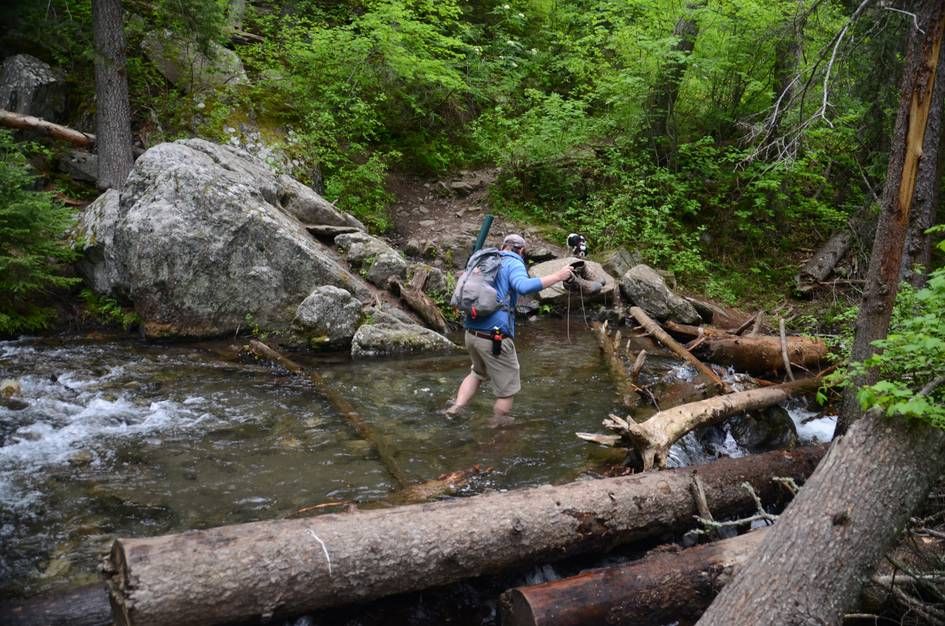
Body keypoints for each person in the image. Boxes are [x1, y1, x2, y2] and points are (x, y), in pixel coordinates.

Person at [446, 233, 575, 420]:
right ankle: (498, 432)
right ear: (521, 250)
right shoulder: (514, 263)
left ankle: (455, 408)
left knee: (477, 373)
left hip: (471, 333)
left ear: (503, 245)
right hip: (494, 337)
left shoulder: (484, 260)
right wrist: (558, 276)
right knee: (507, 390)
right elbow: (523, 287)